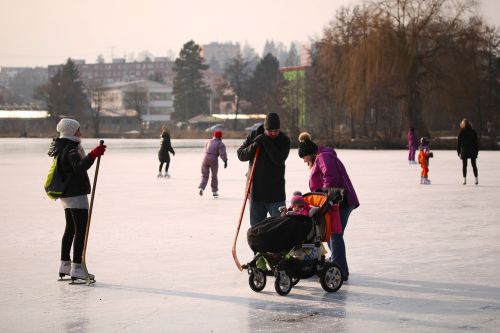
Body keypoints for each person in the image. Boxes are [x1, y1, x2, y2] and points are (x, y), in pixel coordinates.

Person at [47, 118, 106, 281]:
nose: (81, 132)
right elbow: (79, 167)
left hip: (67, 194)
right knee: (81, 230)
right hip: (76, 194)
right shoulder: (71, 148)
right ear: (72, 132)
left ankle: (65, 264)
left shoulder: (61, 146)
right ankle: (77, 267)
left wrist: (93, 154)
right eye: (78, 130)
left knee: (71, 229)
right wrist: (94, 154)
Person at [297, 132, 359, 281]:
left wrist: (323, 197)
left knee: (334, 234)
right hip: (334, 202)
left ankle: (340, 270)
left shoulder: (323, 157)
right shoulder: (321, 157)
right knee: (332, 234)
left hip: (340, 201)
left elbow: (330, 177)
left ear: (310, 154)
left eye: (304, 158)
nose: (305, 162)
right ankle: (339, 266)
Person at [237, 112, 291, 226]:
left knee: (279, 229)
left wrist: (265, 141)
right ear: (265, 128)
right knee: (257, 230)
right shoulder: (253, 136)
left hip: (275, 194)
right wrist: (254, 146)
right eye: (270, 131)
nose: (273, 134)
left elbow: (278, 159)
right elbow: (241, 155)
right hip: (255, 192)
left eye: (276, 131)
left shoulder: (284, 140)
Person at [198, 130, 228, 198]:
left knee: (204, 175)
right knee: (214, 176)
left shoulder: (209, 141)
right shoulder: (220, 144)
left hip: (205, 158)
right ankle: (214, 192)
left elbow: (206, 148)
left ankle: (201, 188)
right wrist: (225, 161)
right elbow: (222, 154)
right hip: (213, 159)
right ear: (220, 136)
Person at [457, 118, 479, 185]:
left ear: (463, 124)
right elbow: (476, 143)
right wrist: (477, 151)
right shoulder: (473, 131)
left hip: (465, 151)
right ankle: (476, 179)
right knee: (474, 165)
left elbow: (459, 143)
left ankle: (464, 180)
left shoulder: (462, 132)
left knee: (464, 165)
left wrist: (458, 151)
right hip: (472, 151)